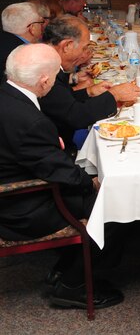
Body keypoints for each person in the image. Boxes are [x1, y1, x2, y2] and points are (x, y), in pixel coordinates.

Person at [0, 44, 124, 310]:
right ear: (44, 80)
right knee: (115, 205)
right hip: (21, 208)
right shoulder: (29, 121)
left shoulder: (9, 94)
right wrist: (92, 182)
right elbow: (63, 174)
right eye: (56, 77)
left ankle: (65, 266)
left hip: (17, 184)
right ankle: (73, 285)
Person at [39, 16, 140, 154]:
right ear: (67, 46)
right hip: (55, 151)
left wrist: (89, 92)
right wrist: (115, 94)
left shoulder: (45, 59)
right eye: (84, 47)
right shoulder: (44, 72)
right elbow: (75, 116)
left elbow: (60, 102)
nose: (85, 54)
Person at [1, 2, 47, 78]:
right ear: (32, 28)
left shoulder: (4, 42)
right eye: (41, 22)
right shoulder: (27, 55)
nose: (43, 27)